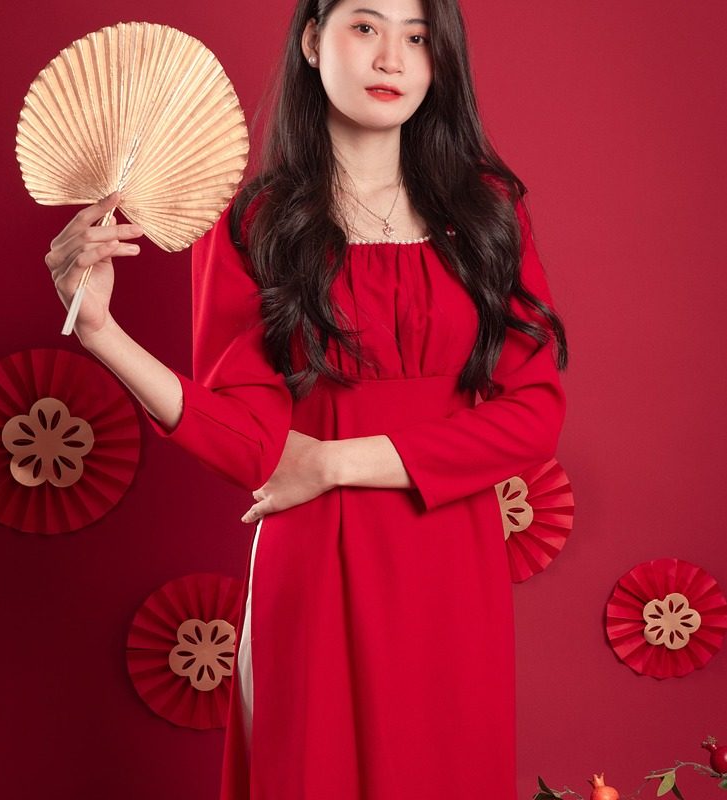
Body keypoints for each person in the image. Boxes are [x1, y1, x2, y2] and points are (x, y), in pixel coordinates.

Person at [44, 0, 568, 796]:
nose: (392, 58)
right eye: (365, 27)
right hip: (315, 562)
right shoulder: (256, 222)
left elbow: (533, 416)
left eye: (418, 37)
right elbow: (249, 444)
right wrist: (101, 332)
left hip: (451, 567)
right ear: (313, 40)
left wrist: (332, 463)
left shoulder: (487, 211)